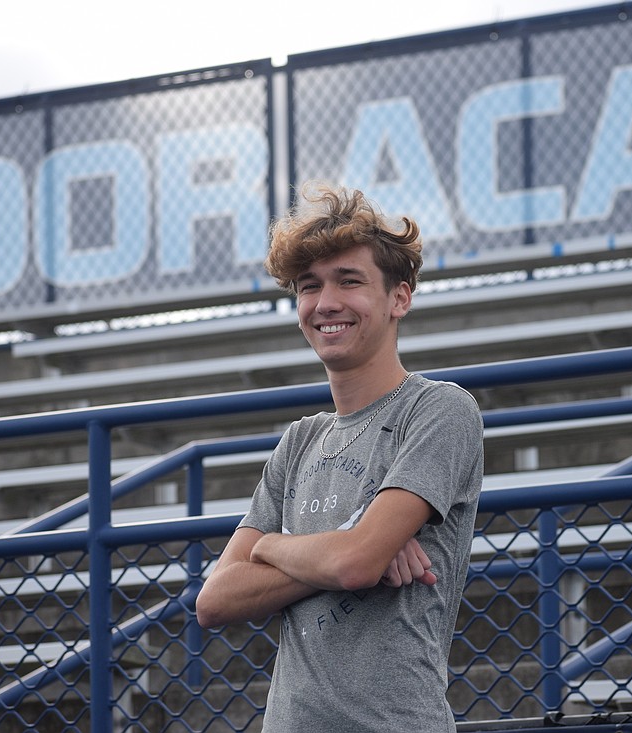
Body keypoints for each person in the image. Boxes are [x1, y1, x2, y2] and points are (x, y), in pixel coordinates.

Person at [194, 183, 484, 732]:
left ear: (400, 297)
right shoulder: (299, 440)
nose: (325, 302)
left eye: (349, 281)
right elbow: (215, 601)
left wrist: (273, 549)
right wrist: (349, 553)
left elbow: (354, 564)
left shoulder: (440, 410)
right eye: (309, 287)